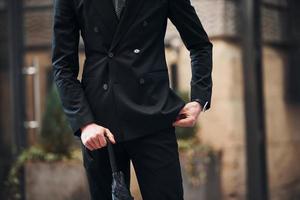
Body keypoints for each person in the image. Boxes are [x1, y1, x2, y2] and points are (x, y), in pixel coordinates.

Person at [52, 0, 212, 199]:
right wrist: (84, 123)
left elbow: (200, 45)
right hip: (100, 124)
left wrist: (198, 98)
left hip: (153, 115)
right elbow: (62, 66)